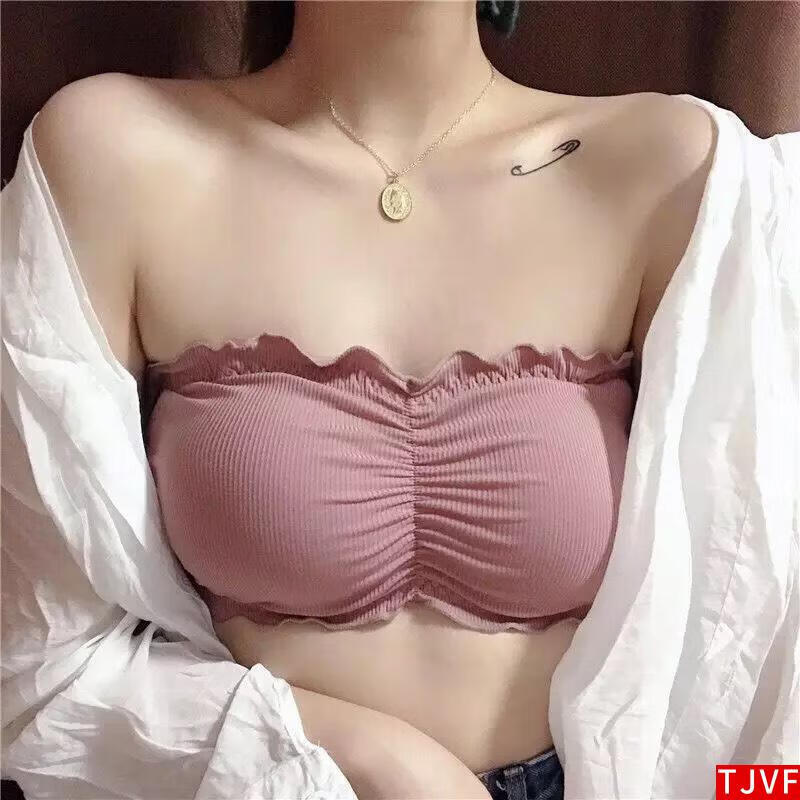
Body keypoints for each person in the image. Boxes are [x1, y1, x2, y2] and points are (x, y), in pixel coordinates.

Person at [2, 2, 798, 799]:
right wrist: (379, 761)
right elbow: (35, 669)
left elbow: (759, 682)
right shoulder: (112, 157)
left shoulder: (681, 173)